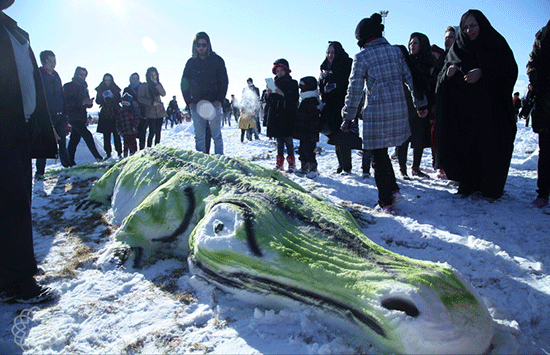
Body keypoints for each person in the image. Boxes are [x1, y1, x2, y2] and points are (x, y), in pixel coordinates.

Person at [1, 1, 57, 303]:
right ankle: (16, 281)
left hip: (18, 129)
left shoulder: (13, 29)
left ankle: (14, 271)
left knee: (17, 202)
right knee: (11, 203)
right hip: (4, 128)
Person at [341, 13, 427, 211]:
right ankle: (394, 189)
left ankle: (385, 201)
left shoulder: (362, 57)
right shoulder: (396, 51)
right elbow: (412, 78)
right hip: (398, 111)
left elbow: (354, 90)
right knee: (384, 153)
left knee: (377, 156)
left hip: (375, 114)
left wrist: (348, 116)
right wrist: (420, 104)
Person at [435, 9, 518, 200]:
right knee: (466, 147)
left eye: (473, 26)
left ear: (482, 25)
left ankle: (491, 187)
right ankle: (468, 182)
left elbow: (509, 70)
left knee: (491, 148)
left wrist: (483, 72)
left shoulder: (496, 44)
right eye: (465, 27)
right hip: (465, 115)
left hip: (491, 112)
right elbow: (442, 77)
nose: (469, 30)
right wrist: (449, 73)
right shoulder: (458, 48)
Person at [181, 31, 228, 155]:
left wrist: (220, 99)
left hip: (214, 103)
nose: (201, 48)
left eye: (204, 45)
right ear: (195, 46)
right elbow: (184, 83)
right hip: (197, 104)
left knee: (216, 135)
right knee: (199, 137)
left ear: (208, 45)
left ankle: (220, 162)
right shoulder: (191, 63)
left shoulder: (217, 60)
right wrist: (189, 101)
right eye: (199, 45)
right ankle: (201, 163)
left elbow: (224, 81)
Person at [395, 33, 435, 180]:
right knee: (403, 138)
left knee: (418, 136)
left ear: (422, 45)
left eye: (415, 43)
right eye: (410, 43)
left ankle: (416, 168)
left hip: (422, 104)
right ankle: (402, 168)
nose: (412, 46)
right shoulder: (404, 61)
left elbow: (431, 85)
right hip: (405, 103)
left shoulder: (429, 63)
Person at [319, 41, 354, 175]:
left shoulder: (345, 64)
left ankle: (347, 166)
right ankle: (341, 164)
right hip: (330, 106)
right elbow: (321, 87)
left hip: (343, 105)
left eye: (333, 52)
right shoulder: (324, 67)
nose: (330, 55)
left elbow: (346, 83)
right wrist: (323, 80)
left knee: (343, 136)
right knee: (335, 136)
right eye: (328, 52)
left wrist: (332, 82)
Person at [35, 50, 71, 179]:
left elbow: (62, 95)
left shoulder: (56, 75)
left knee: (62, 142)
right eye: (50, 61)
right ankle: (39, 172)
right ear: (43, 61)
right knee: (45, 143)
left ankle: (66, 166)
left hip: (59, 115)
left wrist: (65, 113)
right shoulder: (38, 75)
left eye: (54, 61)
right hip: (45, 115)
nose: (53, 64)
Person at [526, 20, 550, 208]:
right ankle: (543, 193)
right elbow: (532, 62)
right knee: (546, 150)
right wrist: (534, 76)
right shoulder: (543, 35)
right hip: (545, 100)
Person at [265, 58, 299, 172]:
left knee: (289, 141)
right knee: (279, 142)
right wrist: (268, 94)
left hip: (288, 116)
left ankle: (292, 164)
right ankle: (279, 164)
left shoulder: (293, 83)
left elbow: (295, 98)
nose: (279, 73)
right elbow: (269, 103)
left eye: (281, 70)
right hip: (276, 117)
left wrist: (282, 93)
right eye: (277, 71)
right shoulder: (273, 84)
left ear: (286, 70)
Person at [65, 66, 104, 164]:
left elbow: (86, 103)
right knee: (87, 135)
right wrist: (81, 102)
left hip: (82, 117)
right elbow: (66, 102)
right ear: (76, 74)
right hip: (73, 117)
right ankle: (98, 157)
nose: (82, 77)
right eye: (81, 74)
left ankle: (70, 161)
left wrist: (89, 103)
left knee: (74, 140)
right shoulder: (68, 86)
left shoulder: (84, 87)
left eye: (84, 75)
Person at [294, 76, 321, 177]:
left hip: (310, 132)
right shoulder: (305, 100)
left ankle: (313, 169)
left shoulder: (312, 101)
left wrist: (314, 134)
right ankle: (304, 167)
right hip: (303, 131)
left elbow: (314, 120)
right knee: (302, 149)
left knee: (309, 150)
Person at [96, 73, 122, 159]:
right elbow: (97, 101)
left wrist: (112, 98)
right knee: (106, 135)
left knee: (116, 135)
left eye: (109, 80)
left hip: (114, 113)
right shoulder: (100, 89)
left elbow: (119, 99)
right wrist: (103, 99)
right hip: (105, 114)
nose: (107, 82)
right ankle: (108, 153)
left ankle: (119, 152)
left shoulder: (115, 89)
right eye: (105, 80)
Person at [139, 67, 166, 147]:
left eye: (155, 75)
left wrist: (156, 83)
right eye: (151, 75)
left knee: (158, 132)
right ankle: (149, 148)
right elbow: (140, 98)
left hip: (160, 111)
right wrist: (151, 103)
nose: (153, 77)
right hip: (150, 112)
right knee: (152, 131)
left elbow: (163, 93)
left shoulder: (158, 84)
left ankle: (157, 148)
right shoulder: (144, 86)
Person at [123, 73, 147, 150]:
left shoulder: (143, 88)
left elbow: (147, 99)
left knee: (142, 132)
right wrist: (131, 102)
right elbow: (123, 101)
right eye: (133, 78)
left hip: (142, 114)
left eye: (136, 78)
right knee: (132, 134)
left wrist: (140, 103)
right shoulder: (127, 89)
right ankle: (132, 151)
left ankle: (142, 149)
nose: (135, 80)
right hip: (131, 115)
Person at [117, 92, 140, 157]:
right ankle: (125, 154)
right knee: (126, 143)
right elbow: (118, 121)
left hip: (132, 130)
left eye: (127, 103)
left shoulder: (133, 111)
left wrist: (134, 127)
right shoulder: (121, 111)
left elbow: (137, 119)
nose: (125, 105)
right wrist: (119, 129)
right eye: (124, 103)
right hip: (124, 130)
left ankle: (134, 153)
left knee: (133, 142)